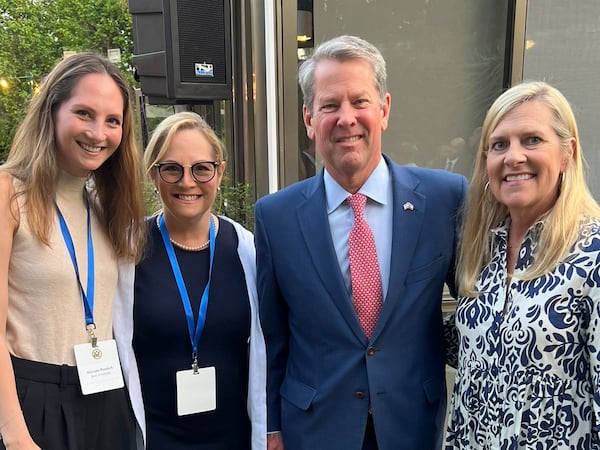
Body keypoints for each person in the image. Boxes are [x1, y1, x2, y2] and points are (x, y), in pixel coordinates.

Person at [255, 35, 468, 450]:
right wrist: (272, 427)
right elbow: (273, 337)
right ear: (309, 118)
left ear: (384, 109)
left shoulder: (445, 199)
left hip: (412, 426)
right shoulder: (275, 217)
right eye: (330, 105)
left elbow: (479, 312)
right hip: (314, 429)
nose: (346, 118)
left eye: (360, 101)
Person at [0, 53, 147, 449]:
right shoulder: (9, 194)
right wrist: (15, 435)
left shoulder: (103, 209)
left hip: (104, 397)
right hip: (32, 404)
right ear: (52, 111)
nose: (99, 133)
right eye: (84, 113)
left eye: (112, 121)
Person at [445, 81, 600, 448]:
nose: (513, 157)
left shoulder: (592, 254)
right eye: (499, 144)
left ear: (567, 154)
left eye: (532, 140)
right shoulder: (482, 252)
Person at [132, 111, 266, 449]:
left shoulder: (247, 249)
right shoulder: (126, 251)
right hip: (155, 439)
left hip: (233, 438)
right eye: (172, 168)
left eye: (201, 168)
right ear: (154, 175)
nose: (187, 182)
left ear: (219, 172)